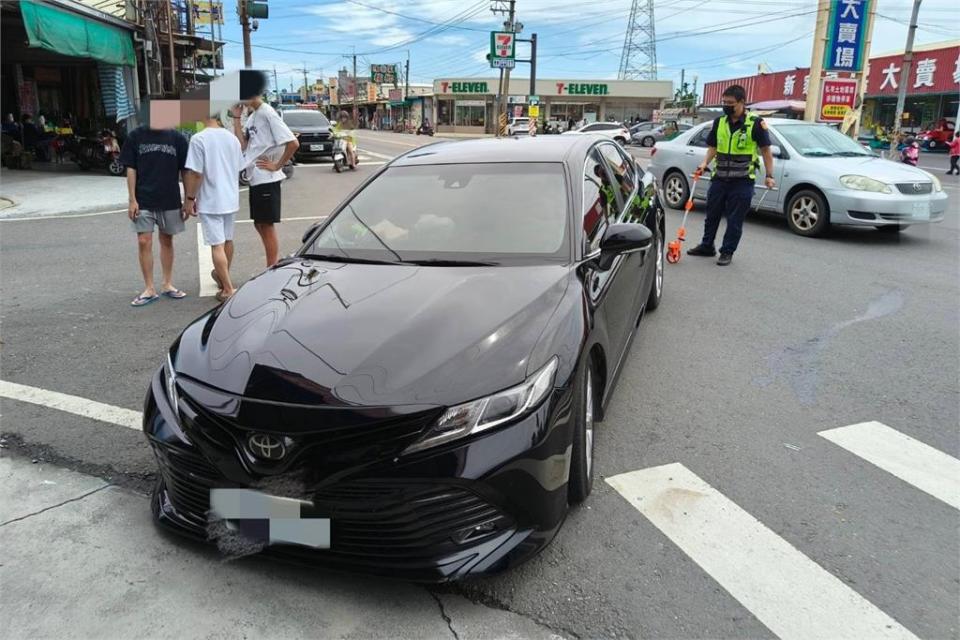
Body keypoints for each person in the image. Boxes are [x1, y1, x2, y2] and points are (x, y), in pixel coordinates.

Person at [688, 84, 775, 266]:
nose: (726, 106)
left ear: (742, 102)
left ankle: (727, 251)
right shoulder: (720, 122)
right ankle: (707, 245)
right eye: (724, 102)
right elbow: (713, 147)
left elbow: (766, 151)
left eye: (730, 103)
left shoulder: (756, 123)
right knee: (712, 214)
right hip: (719, 178)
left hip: (742, 181)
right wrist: (705, 163)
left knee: (735, 220)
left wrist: (769, 175)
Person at [119, 100, 190, 306]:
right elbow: (130, 168)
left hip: (169, 198)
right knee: (144, 241)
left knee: (167, 240)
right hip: (144, 199)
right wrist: (132, 199)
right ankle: (149, 287)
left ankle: (167, 283)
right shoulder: (136, 136)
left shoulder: (177, 138)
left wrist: (188, 200)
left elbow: (185, 170)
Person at [231, 82, 299, 267]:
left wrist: (277, 165)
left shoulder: (268, 113)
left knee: (266, 225)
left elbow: (293, 143)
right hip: (256, 178)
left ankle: (271, 268)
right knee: (259, 224)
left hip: (267, 178)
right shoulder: (253, 116)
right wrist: (237, 118)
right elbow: (243, 145)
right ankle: (272, 265)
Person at [184, 107, 244, 303]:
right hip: (230, 197)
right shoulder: (231, 139)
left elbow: (196, 173)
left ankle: (227, 289)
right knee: (228, 240)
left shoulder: (199, 139)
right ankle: (222, 277)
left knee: (216, 244)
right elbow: (239, 166)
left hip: (211, 199)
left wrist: (190, 198)